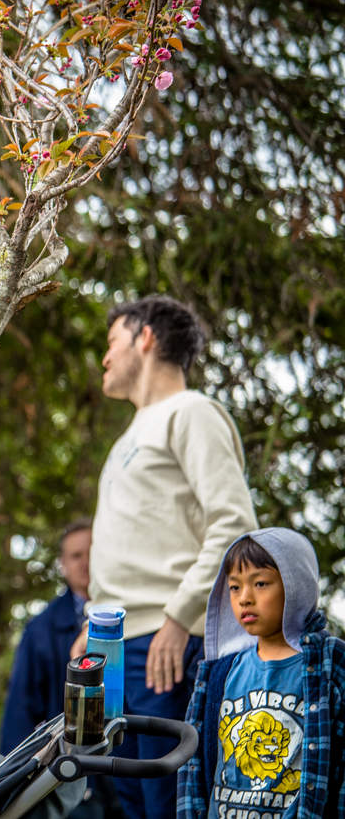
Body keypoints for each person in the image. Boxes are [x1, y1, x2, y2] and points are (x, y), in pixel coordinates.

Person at [81, 295, 258, 819]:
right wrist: (91, 621)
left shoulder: (192, 412)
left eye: (112, 342)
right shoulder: (128, 437)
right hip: (112, 648)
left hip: (166, 646)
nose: (104, 357)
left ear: (146, 338)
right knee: (126, 799)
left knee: (172, 800)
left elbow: (234, 524)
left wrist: (180, 620)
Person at [177, 527, 345, 818]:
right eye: (234, 586)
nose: (245, 598)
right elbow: (192, 766)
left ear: (297, 585)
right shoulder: (219, 672)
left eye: (261, 583)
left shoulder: (330, 663)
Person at [0, 520, 121, 819]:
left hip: (125, 776)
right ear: (62, 565)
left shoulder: (132, 616)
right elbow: (20, 710)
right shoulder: (40, 630)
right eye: (76, 556)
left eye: (92, 552)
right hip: (70, 781)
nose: (86, 562)